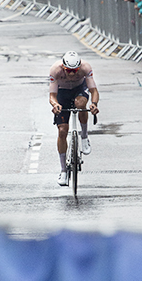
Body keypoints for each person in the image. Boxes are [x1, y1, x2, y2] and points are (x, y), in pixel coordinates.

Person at [48, 51, 99, 186]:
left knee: (81, 104)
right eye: (68, 70)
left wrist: (93, 104)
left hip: (79, 89)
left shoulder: (85, 68)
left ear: (79, 66)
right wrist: (55, 104)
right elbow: (52, 95)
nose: (71, 74)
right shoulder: (55, 70)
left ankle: (84, 137)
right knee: (62, 130)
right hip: (62, 92)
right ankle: (63, 171)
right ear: (63, 67)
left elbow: (93, 90)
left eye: (75, 70)